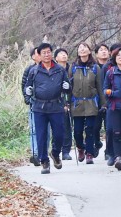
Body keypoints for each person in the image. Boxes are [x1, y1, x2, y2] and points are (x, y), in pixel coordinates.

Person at [27, 42, 71, 174]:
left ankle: (55, 153)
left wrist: (67, 87)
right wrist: (27, 92)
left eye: (48, 52)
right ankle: (44, 161)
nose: (46, 55)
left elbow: (68, 87)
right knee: (41, 135)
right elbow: (27, 87)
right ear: (39, 55)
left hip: (56, 105)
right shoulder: (34, 71)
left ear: (51, 53)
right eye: (43, 53)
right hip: (39, 107)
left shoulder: (60, 69)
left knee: (59, 134)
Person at [68, 42, 105, 164]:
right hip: (77, 104)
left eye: (85, 48)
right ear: (78, 52)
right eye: (80, 48)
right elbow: (69, 87)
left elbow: (100, 87)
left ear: (89, 51)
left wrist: (103, 103)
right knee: (77, 131)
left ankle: (89, 153)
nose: (82, 49)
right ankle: (80, 148)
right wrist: (67, 102)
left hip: (91, 103)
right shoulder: (73, 67)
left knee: (90, 129)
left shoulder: (95, 67)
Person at [21, 45, 42, 166]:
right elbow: (24, 85)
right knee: (34, 129)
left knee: (45, 131)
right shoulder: (29, 70)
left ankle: (43, 152)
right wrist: (27, 98)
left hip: (48, 104)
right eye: (38, 53)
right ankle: (35, 154)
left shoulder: (53, 68)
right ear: (33, 57)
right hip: (34, 103)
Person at [54, 47, 73, 160]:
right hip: (57, 102)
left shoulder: (72, 69)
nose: (64, 55)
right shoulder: (54, 70)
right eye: (60, 54)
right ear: (56, 58)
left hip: (71, 100)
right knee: (59, 127)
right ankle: (56, 149)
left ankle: (66, 151)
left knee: (68, 126)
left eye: (65, 53)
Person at [94, 44, 111, 162]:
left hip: (109, 101)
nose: (104, 52)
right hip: (95, 102)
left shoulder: (112, 66)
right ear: (96, 54)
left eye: (105, 50)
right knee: (95, 127)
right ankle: (96, 143)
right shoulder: (93, 67)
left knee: (109, 127)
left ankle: (109, 151)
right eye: (101, 50)